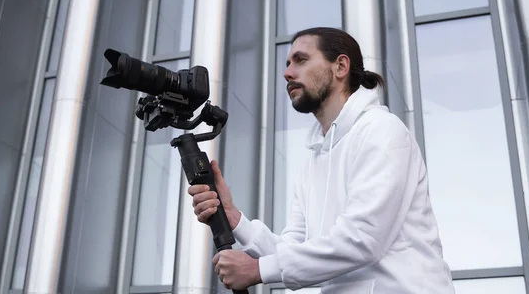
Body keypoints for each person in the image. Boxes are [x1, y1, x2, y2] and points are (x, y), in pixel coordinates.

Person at [188, 27, 455, 293]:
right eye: (287, 63)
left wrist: (257, 270)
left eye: (301, 60)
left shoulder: (382, 130)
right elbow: (292, 253)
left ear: (340, 66)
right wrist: (235, 219)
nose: (287, 72)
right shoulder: (312, 163)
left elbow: (363, 238)